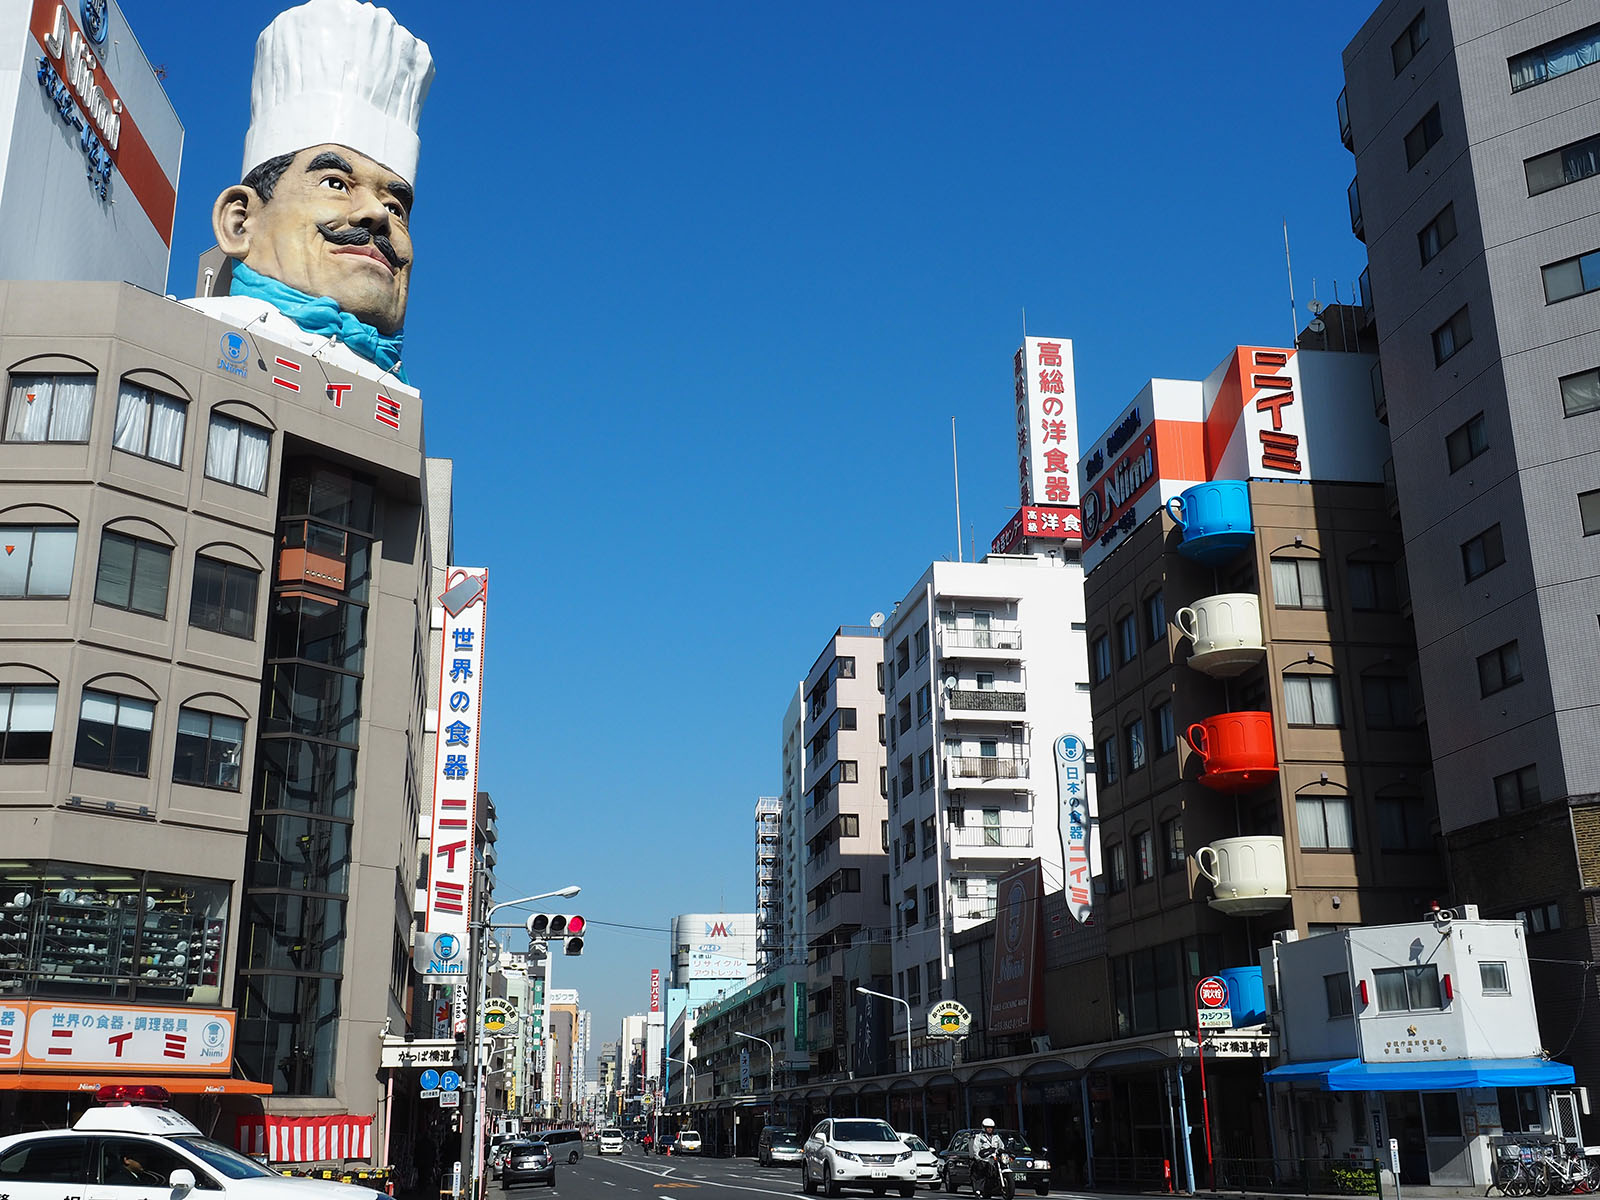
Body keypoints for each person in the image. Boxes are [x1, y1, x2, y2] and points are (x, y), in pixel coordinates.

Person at [185, 0, 434, 385]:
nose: (378, 214)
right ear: (240, 223)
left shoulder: (398, 396)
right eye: (336, 183)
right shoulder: (187, 344)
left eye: (396, 207)